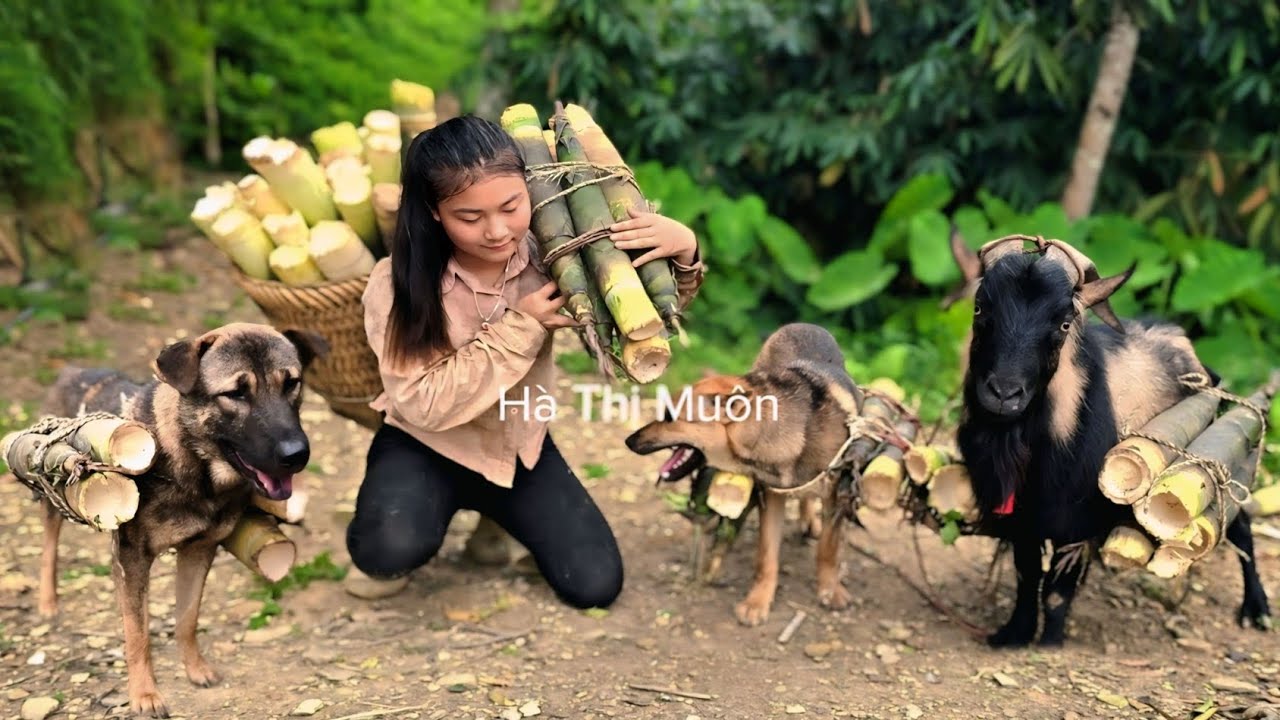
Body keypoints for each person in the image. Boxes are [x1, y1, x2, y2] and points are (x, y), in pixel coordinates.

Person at [345, 114, 705, 609]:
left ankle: (497, 521)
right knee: (388, 550)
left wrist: (683, 251)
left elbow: (643, 325)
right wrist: (523, 325)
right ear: (433, 212)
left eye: (511, 206)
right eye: (469, 218)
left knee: (595, 584)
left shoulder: (555, 252)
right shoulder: (395, 284)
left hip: (519, 442)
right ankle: (422, 518)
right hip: (427, 444)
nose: (496, 231)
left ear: (528, 189)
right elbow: (421, 403)